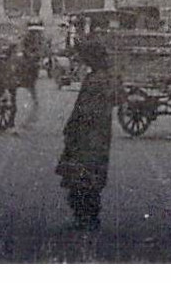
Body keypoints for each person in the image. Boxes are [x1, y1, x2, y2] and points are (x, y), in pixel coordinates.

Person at [56, 39, 115, 231]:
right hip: (98, 135)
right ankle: (88, 216)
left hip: (87, 135)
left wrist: (72, 127)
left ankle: (85, 218)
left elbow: (84, 110)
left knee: (82, 176)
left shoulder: (96, 80)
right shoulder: (104, 78)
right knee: (90, 176)